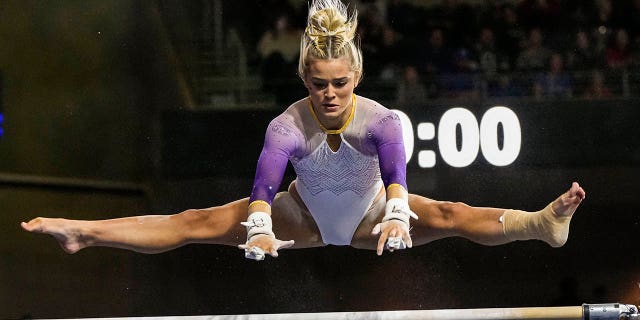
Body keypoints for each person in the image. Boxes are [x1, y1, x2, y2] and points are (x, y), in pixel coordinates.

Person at [21, 0, 586, 261]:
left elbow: (395, 175)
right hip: (300, 217)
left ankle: (541, 224)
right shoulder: (286, 125)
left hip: (369, 218)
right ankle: (84, 233)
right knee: (193, 222)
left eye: (340, 81)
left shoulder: (382, 122)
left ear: (356, 74)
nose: (330, 93)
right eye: (318, 83)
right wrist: (260, 226)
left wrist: (395, 213)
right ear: (304, 77)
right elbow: (264, 182)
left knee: (449, 213)